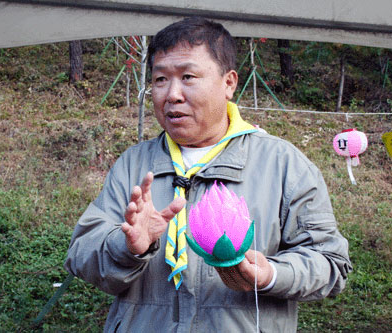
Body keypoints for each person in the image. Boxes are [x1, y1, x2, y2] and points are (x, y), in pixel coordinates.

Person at [65, 16, 352, 332]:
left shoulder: (282, 164)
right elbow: (80, 254)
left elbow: (330, 263)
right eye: (160, 79)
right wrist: (128, 248)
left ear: (229, 83)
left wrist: (271, 274)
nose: (171, 94)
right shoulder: (135, 164)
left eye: (188, 76)